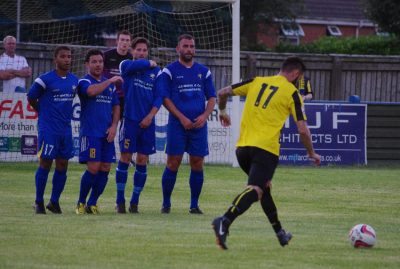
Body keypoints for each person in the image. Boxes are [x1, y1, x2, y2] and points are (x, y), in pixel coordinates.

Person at [211, 56, 321, 250]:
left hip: (243, 149)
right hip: (266, 150)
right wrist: (311, 152)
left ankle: (280, 233)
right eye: (299, 77)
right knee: (256, 189)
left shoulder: (257, 81)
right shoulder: (292, 92)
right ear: (295, 74)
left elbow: (222, 93)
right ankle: (225, 220)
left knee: (264, 188)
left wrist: (222, 112)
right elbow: (303, 129)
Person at [158, 34, 216, 214]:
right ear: (178, 49)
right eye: (186, 46)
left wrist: (205, 116)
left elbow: (212, 97)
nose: (189, 49)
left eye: (192, 46)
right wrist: (181, 117)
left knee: (197, 162)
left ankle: (194, 205)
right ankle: (166, 204)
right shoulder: (169, 71)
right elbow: (165, 98)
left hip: (198, 126)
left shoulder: (204, 71)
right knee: (172, 162)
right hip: (177, 125)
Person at [27, 46, 78, 214]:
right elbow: (31, 97)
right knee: (46, 162)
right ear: (55, 59)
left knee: (63, 163)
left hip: (65, 129)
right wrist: (42, 112)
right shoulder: (44, 79)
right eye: (63, 56)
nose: (66, 59)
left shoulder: (74, 80)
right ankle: (38, 201)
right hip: (48, 128)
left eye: (69, 56)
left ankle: (54, 202)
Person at [115, 37, 162, 213]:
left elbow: (159, 96)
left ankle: (134, 201)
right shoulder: (126, 65)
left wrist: (150, 116)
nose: (141, 53)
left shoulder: (156, 72)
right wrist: (148, 62)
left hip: (148, 123)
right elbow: (131, 67)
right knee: (125, 158)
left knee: (142, 160)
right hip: (130, 120)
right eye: (139, 50)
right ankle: (120, 200)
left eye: (144, 50)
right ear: (132, 51)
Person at [75, 49, 121, 215]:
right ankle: (80, 202)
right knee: (93, 168)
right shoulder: (83, 82)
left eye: (100, 62)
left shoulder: (109, 85)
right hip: (91, 133)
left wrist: (115, 125)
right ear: (87, 64)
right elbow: (91, 92)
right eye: (94, 62)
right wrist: (109, 82)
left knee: (105, 168)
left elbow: (116, 106)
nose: (98, 65)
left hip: (107, 134)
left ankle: (92, 203)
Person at [103, 30, 133, 120]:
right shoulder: (106, 55)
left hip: (123, 96)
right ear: (117, 41)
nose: (124, 42)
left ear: (130, 43)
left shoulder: (131, 58)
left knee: (121, 123)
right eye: (122, 39)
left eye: (127, 40)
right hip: (108, 94)